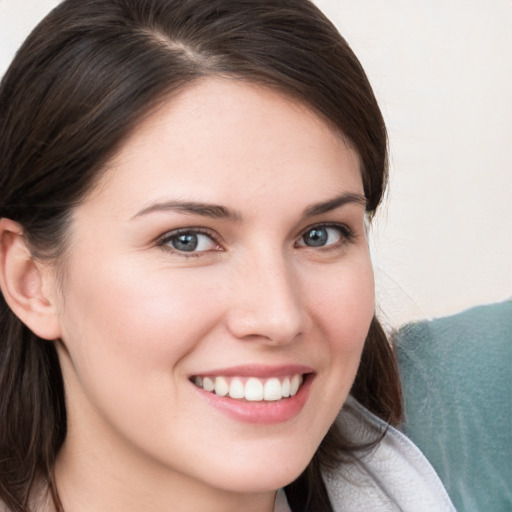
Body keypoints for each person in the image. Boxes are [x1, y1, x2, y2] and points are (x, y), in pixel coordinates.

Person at [0, 1, 455, 511]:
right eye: (187, 240)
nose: (279, 317)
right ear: (30, 281)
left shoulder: (465, 456)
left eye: (320, 234)